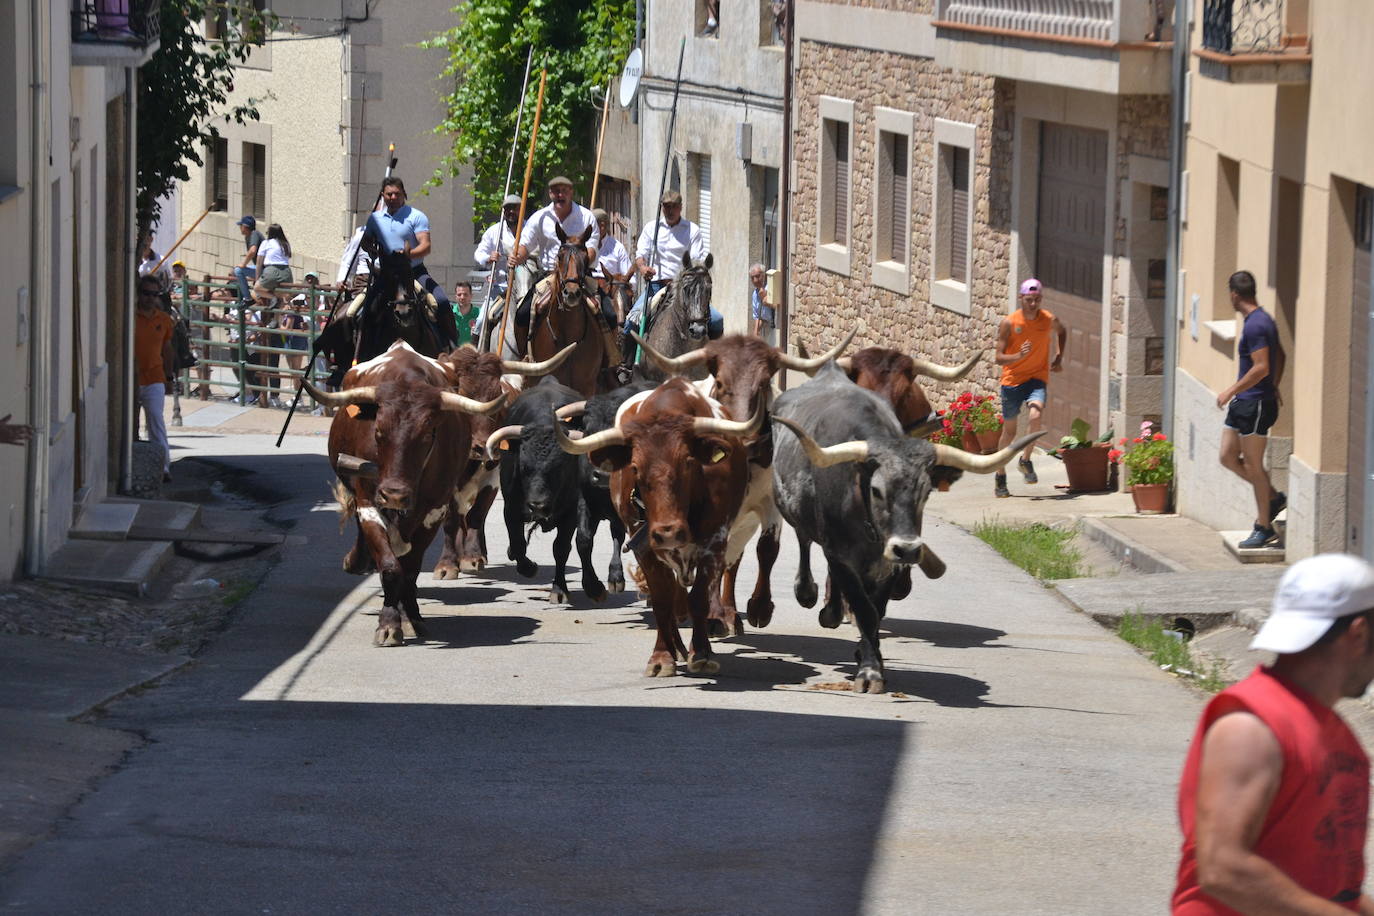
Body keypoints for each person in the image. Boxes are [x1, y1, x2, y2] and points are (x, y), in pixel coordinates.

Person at [1172, 552, 1374, 914]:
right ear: (1359, 633)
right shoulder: (1250, 724)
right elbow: (1223, 868)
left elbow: (1333, 890)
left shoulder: (1338, 735)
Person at [1217, 270, 1287, 550]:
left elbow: (1262, 366)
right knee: (1227, 456)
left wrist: (1230, 390)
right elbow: (1281, 355)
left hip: (1255, 403)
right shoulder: (1261, 320)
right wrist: (1276, 385)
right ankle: (1273, 498)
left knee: (1255, 466)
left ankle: (1263, 527)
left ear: (1234, 294)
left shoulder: (1257, 325)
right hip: (1246, 402)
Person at [622, 189, 722, 367]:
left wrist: (689, 275)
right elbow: (640, 254)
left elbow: (698, 259)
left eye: (674, 206)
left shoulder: (692, 230)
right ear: (662, 208)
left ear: (681, 207)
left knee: (716, 320)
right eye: (666, 206)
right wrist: (643, 268)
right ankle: (627, 366)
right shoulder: (652, 228)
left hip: (685, 288)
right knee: (632, 321)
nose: (670, 210)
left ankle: (716, 365)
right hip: (657, 287)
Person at [364, 177, 458, 350]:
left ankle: (450, 345)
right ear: (382, 196)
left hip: (413, 272)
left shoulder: (416, 216)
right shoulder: (374, 219)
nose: (393, 197)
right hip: (387, 275)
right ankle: (361, 349)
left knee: (441, 301)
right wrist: (371, 248)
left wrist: (407, 256)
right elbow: (366, 241)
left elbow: (425, 246)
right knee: (365, 308)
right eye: (389, 194)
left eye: (397, 194)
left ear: (404, 195)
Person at [992, 277, 1066, 498]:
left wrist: (1059, 356)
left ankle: (1025, 460)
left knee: (1035, 416)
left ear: (1041, 299)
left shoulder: (1048, 319)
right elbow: (998, 357)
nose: (1033, 304)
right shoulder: (1009, 323)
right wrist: (1019, 355)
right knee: (1010, 432)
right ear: (1021, 298)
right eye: (1029, 300)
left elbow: (1062, 331)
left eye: (1036, 300)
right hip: (1012, 382)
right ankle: (1000, 475)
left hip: (1037, 378)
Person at [507, 176, 600, 348]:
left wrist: (582, 258)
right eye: (556, 191)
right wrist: (517, 256)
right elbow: (525, 245)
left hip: (580, 276)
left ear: (571, 193)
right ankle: (525, 355)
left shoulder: (586, 217)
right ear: (550, 193)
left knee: (608, 313)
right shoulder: (539, 217)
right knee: (522, 313)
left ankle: (609, 363)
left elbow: (592, 249)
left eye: (564, 191)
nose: (560, 195)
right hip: (549, 277)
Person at [134, 275, 176, 482]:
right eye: (146, 293)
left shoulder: (164, 320)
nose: (150, 298)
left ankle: (163, 467)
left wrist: (168, 376)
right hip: (132, 379)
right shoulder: (130, 316)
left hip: (154, 377)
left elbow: (167, 349)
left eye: (154, 294)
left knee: (155, 420)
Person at [591, 207, 631, 329]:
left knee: (611, 316)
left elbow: (628, 278)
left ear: (602, 226)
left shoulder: (617, 248)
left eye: (592, 225)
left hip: (610, 292)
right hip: (588, 287)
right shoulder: (586, 245)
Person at [234, 215, 263, 305]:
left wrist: (243, 264)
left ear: (245, 227)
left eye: (241, 226)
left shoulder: (254, 234)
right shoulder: (249, 236)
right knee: (233, 271)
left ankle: (248, 298)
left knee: (238, 270)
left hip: (265, 269)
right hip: (260, 268)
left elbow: (252, 251)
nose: (240, 228)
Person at [749, 263, 776, 343]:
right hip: (767, 328)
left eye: (757, 276)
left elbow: (780, 307)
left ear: (764, 275)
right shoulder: (755, 294)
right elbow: (758, 316)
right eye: (752, 278)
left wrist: (766, 299)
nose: (755, 280)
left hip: (777, 328)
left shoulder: (771, 287)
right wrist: (755, 332)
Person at [452, 281, 479, 347]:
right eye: (459, 294)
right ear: (455, 296)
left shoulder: (479, 314)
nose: (462, 297)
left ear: (471, 296)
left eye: (465, 294)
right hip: (455, 354)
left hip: (473, 354)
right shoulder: (450, 314)